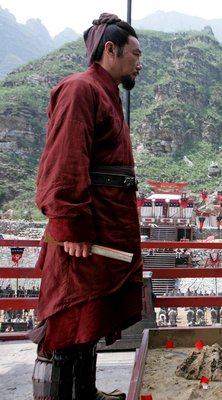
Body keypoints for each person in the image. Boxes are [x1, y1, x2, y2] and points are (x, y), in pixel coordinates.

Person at [31, 13, 143, 400]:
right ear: (110, 49)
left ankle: (86, 392)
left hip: (106, 227)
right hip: (83, 234)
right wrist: (72, 226)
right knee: (70, 315)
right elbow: (65, 161)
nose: (139, 64)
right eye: (135, 54)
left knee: (90, 317)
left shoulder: (106, 95)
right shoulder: (80, 89)